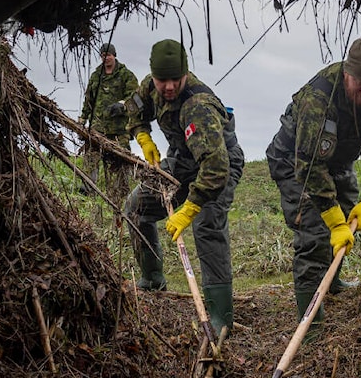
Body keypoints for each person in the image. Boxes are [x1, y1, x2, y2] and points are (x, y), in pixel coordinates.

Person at [265, 36, 361, 337]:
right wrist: (331, 219)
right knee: (314, 236)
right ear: (348, 72)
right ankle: (311, 326)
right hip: (293, 163)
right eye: (360, 82)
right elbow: (307, 165)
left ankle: (331, 282)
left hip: (338, 161)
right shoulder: (319, 97)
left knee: (347, 213)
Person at [123, 39, 245, 337]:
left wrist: (189, 208)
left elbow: (216, 170)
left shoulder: (197, 106)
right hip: (182, 160)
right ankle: (153, 278)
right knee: (136, 208)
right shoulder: (150, 87)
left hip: (219, 164)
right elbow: (134, 110)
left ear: (185, 74)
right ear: (153, 75)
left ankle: (220, 315)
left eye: (174, 80)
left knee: (207, 227)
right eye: (162, 80)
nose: (167, 87)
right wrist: (144, 139)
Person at [79, 42, 139, 203]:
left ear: (114, 55)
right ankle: (88, 188)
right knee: (91, 156)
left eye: (109, 55)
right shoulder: (96, 76)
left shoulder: (126, 75)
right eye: (103, 55)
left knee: (121, 160)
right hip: (97, 126)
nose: (106, 58)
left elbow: (138, 100)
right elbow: (88, 101)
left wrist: (123, 105)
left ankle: (122, 194)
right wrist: (82, 119)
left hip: (119, 129)